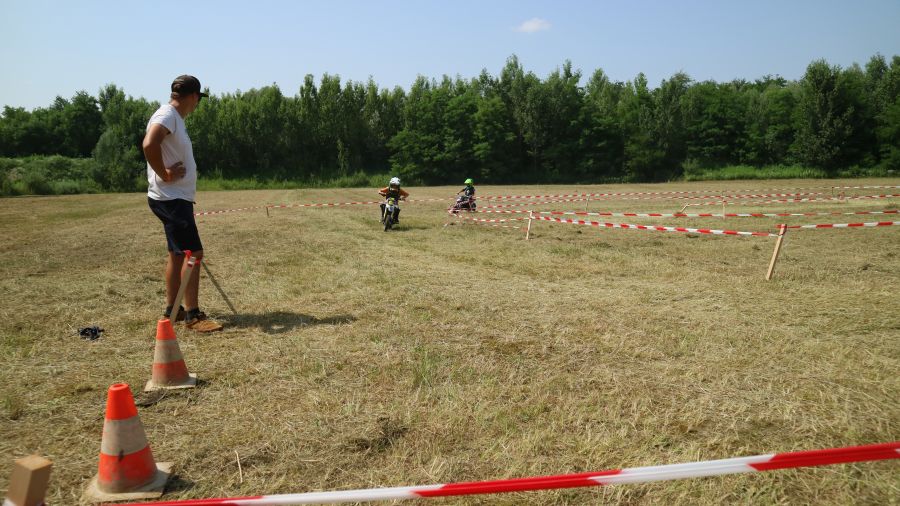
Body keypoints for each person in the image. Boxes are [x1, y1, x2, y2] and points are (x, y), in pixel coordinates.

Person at [143, 75, 222, 332]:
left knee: (177, 255)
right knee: (193, 254)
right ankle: (193, 315)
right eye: (198, 100)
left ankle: (173, 309)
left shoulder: (174, 118)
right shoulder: (167, 115)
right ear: (194, 97)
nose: (197, 104)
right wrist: (165, 174)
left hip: (174, 198)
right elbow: (149, 144)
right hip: (171, 198)